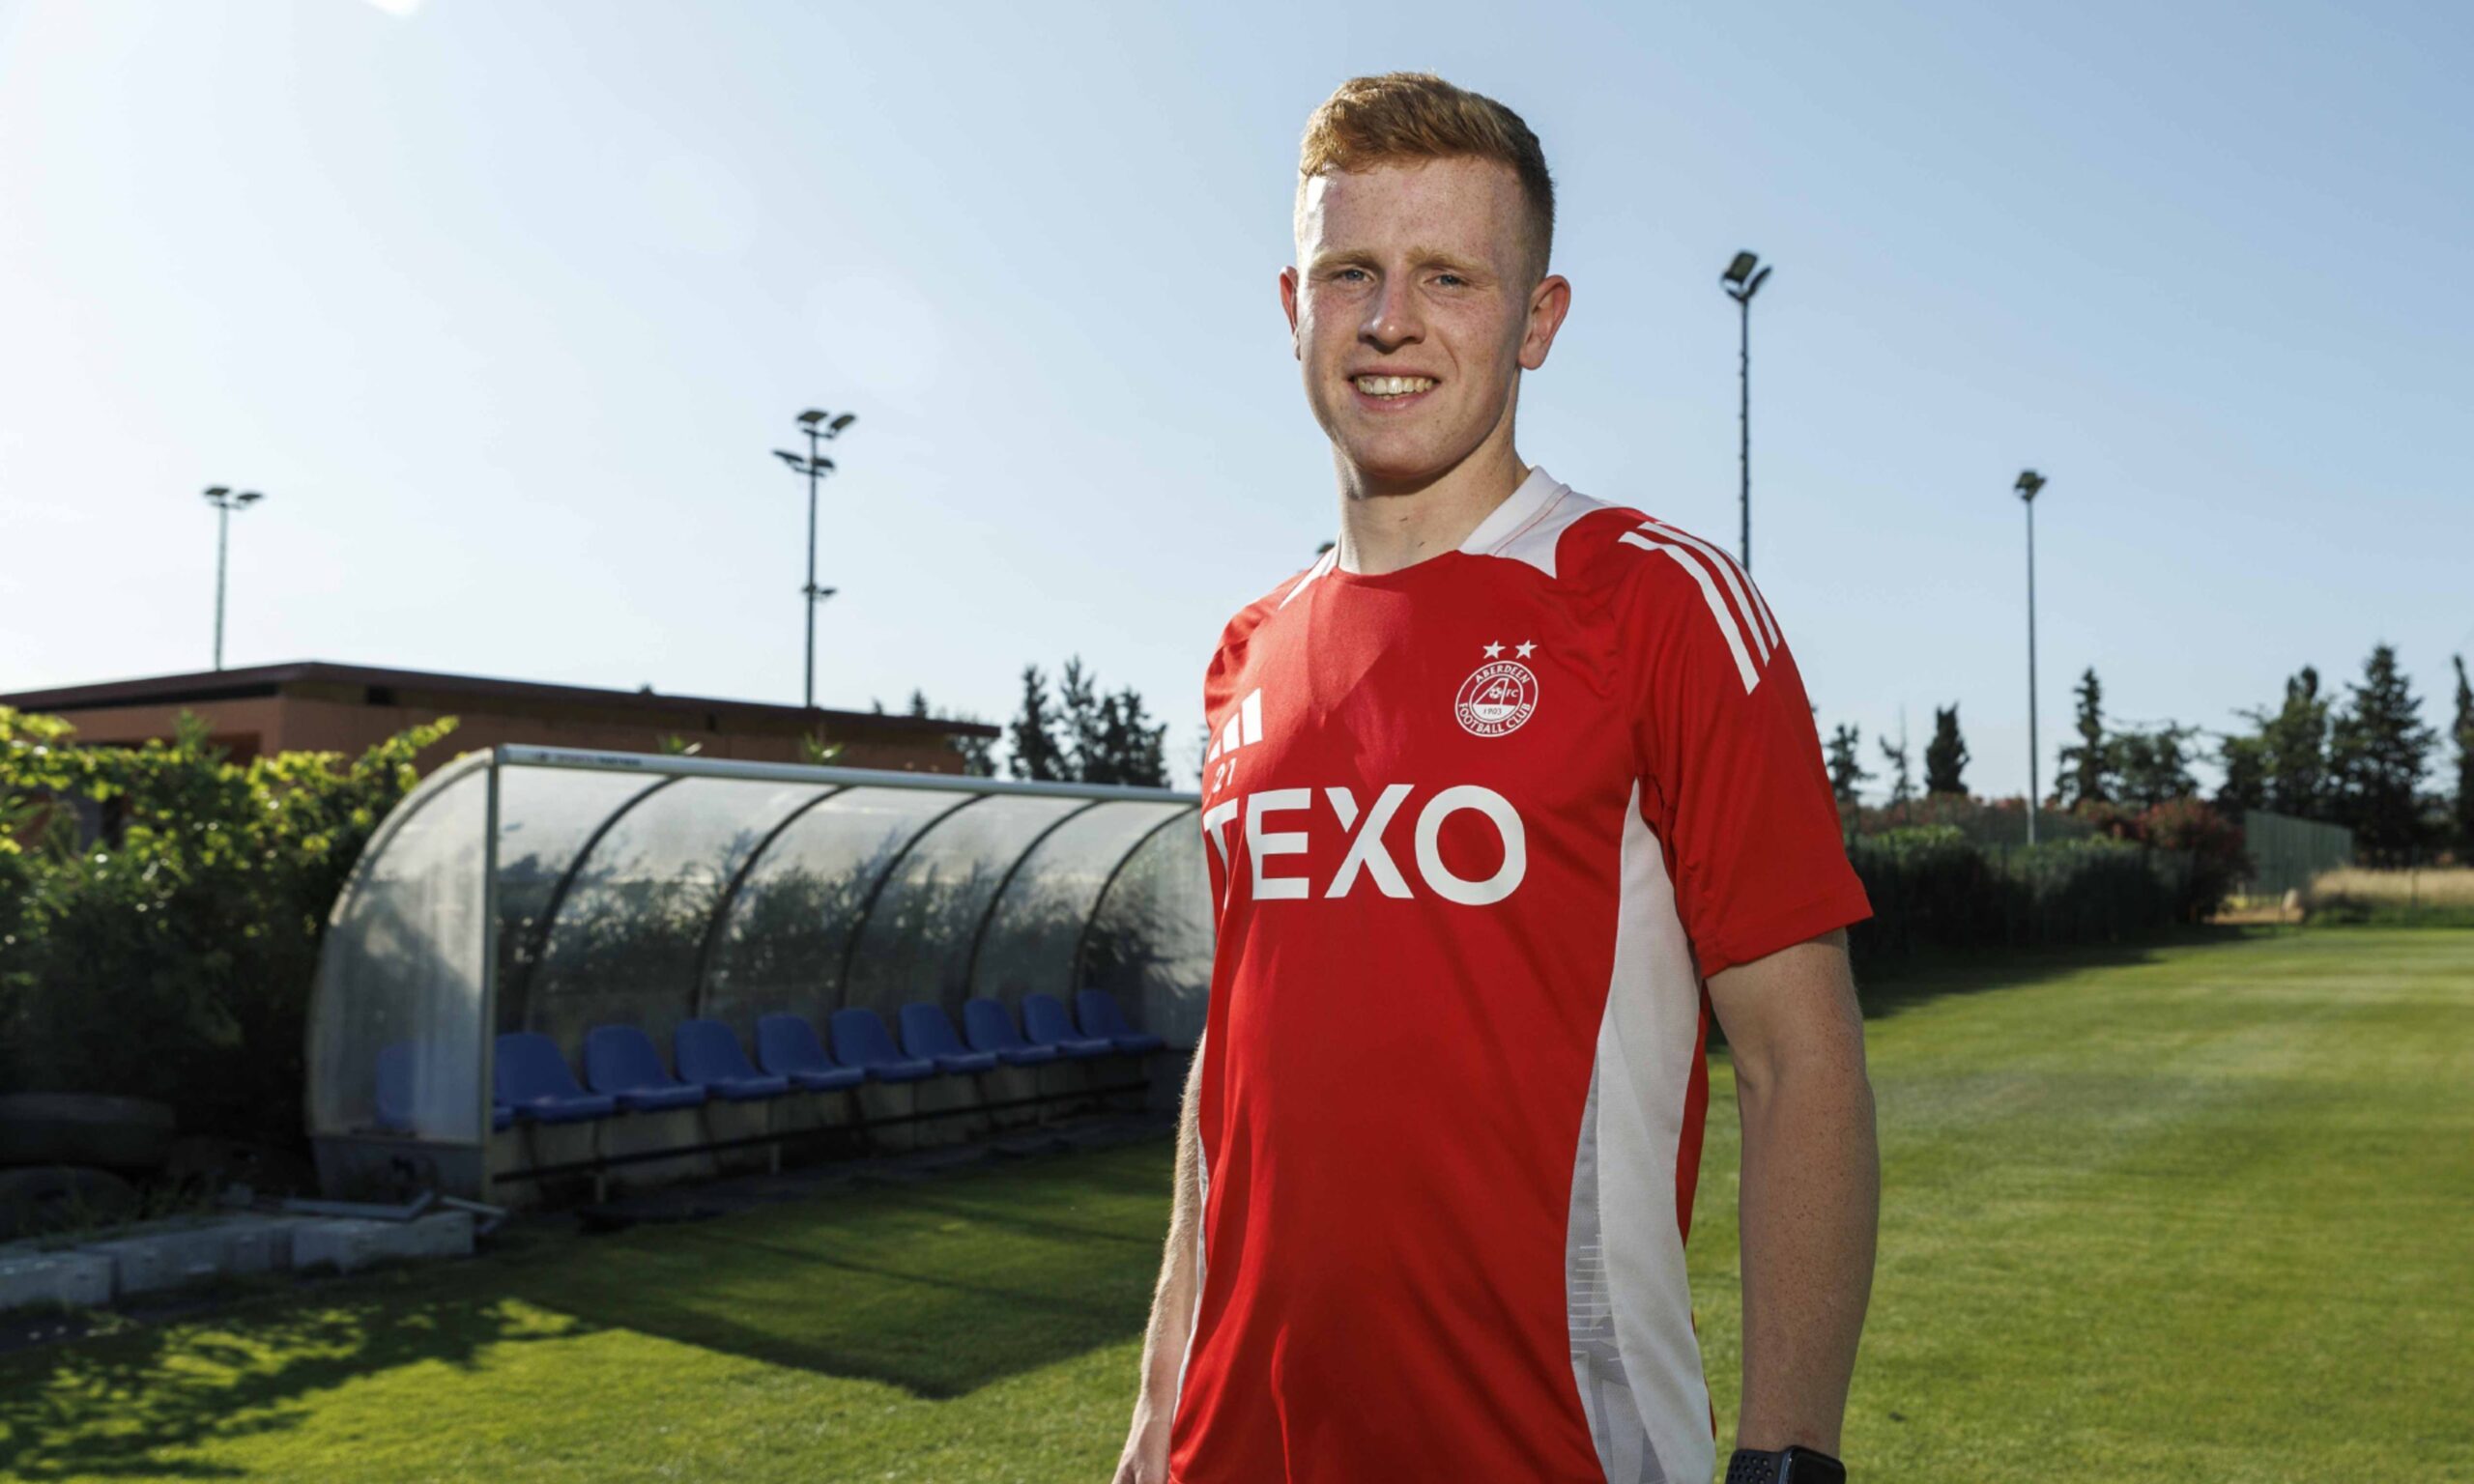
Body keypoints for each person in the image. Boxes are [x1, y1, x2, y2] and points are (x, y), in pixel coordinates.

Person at [1114, 71, 1879, 1484]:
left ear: (1537, 320)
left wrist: (1788, 1456)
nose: (1391, 320)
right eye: (1352, 271)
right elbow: (1237, 1066)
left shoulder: (1655, 605)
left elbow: (1798, 1056)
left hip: (1555, 1452)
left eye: (1449, 277)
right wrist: (1157, 1410)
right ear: (1293, 306)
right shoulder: (1249, 650)